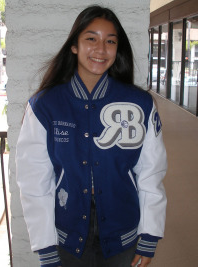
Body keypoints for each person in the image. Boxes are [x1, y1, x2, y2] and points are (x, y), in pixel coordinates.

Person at [16, 5, 167, 267]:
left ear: (117, 49)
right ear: (74, 45)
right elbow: (33, 181)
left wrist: (150, 235)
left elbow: (151, 173)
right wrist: (45, 247)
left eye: (110, 41)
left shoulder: (139, 104)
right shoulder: (44, 106)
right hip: (65, 238)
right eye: (91, 38)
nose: (101, 48)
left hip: (123, 235)